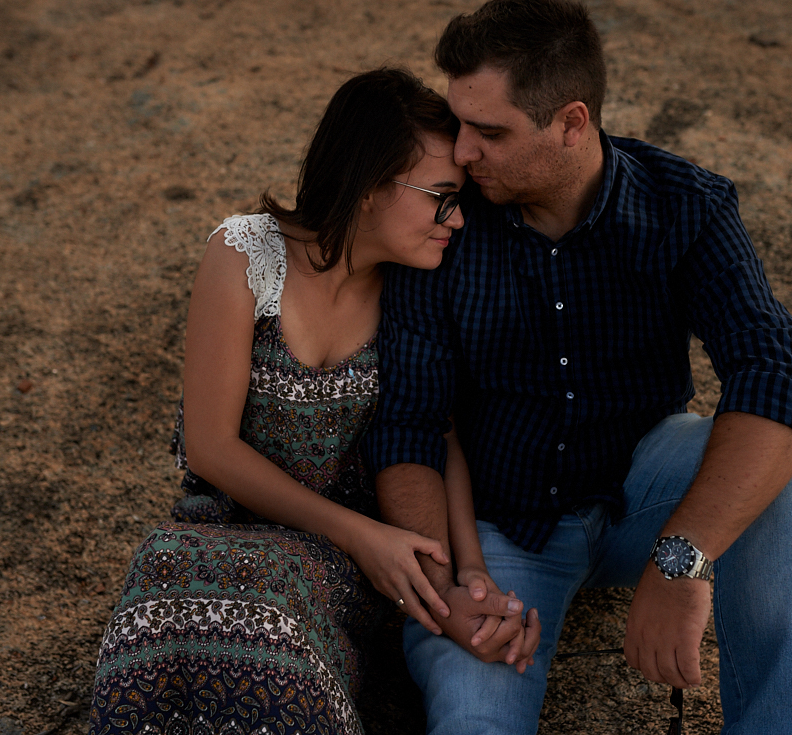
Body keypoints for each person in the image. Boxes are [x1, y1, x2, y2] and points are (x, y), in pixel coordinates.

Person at [364, 0, 792, 734]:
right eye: (459, 125)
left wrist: (684, 559)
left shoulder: (688, 206)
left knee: (783, 476)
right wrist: (449, 585)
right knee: (473, 724)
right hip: (498, 529)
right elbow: (408, 426)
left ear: (572, 122)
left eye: (489, 131)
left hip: (640, 490)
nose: (461, 152)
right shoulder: (445, 225)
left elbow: (776, 378)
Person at [88, 68, 538, 735]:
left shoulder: (416, 292)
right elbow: (211, 447)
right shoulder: (245, 254)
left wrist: (465, 575)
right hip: (223, 526)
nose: (459, 217)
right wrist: (361, 532)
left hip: (345, 566)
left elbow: (439, 439)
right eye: (442, 197)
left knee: (267, 624)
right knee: (166, 585)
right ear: (369, 185)